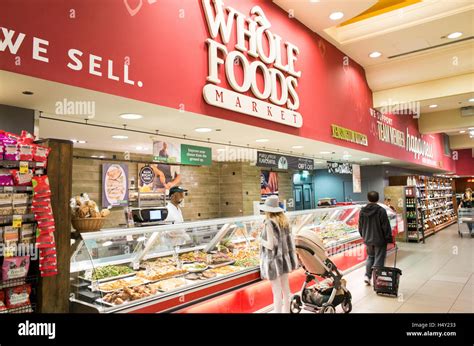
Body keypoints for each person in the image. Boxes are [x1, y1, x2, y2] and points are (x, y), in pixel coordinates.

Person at [259, 196, 298, 313]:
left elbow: (270, 245)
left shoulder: (269, 223)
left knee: (276, 293)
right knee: (286, 291)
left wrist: (259, 240)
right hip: (284, 260)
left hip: (274, 262)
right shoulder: (284, 221)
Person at [358, 191, 393, 285]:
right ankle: (378, 278)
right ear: (377, 199)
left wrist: (364, 236)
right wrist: (389, 238)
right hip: (379, 239)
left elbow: (360, 226)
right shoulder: (381, 210)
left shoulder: (362, 211)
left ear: (368, 198)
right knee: (379, 259)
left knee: (370, 257)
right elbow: (386, 226)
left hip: (368, 239)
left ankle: (367, 276)